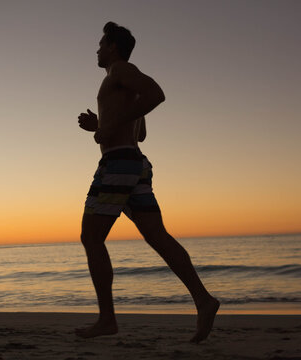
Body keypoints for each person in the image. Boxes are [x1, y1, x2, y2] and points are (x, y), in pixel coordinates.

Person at [76, 22, 219, 343]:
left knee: (91, 237)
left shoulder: (120, 70)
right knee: (157, 236)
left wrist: (108, 124)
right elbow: (139, 132)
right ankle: (204, 300)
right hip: (134, 163)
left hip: (118, 164)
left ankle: (107, 319)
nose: (97, 50)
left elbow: (158, 93)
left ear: (113, 46)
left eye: (101, 44)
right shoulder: (123, 82)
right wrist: (101, 124)